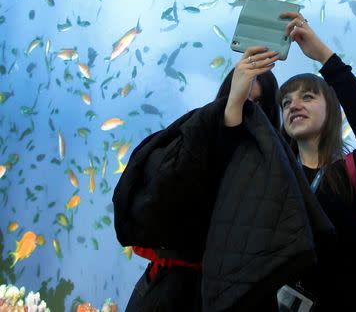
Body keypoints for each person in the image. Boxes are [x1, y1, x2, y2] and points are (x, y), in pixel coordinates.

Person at [114, 30, 336, 311]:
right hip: (172, 293)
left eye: (257, 104)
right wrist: (231, 109)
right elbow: (170, 191)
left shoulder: (279, 169)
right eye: (241, 97)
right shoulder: (195, 137)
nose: (248, 112)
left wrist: (324, 56)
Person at [273, 12, 356, 310]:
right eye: (286, 102)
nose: (294, 105)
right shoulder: (276, 180)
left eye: (307, 97)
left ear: (331, 110)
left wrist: (324, 57)